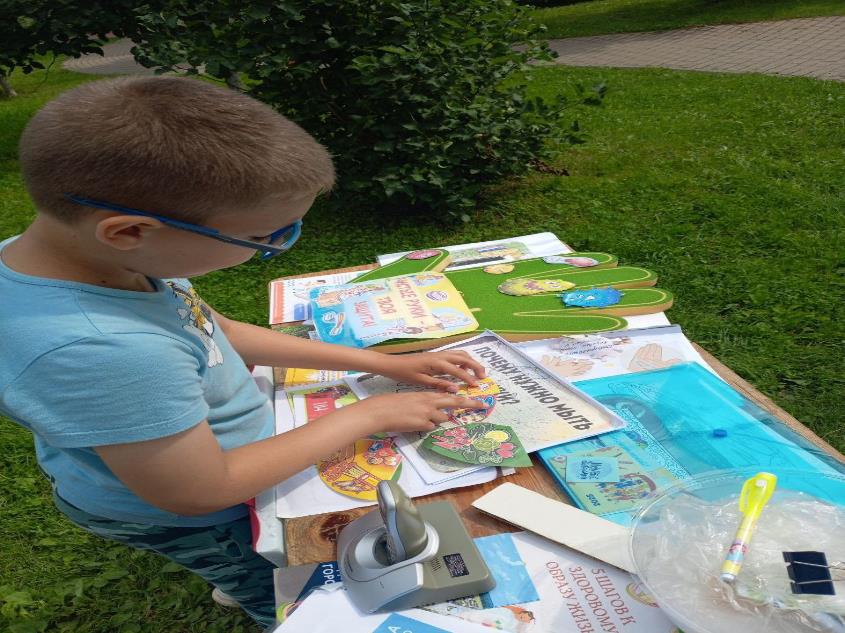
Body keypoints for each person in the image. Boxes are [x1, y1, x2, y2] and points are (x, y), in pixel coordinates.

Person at [0, 76, 488, 629]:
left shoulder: (100, 261)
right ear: (129, 230)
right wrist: (370, 414)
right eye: (263, 238)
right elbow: (201, 490)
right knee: (277, 586)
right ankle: (253, 587)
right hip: (201, 510)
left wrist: (384, 363)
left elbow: (216, 330)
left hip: (204, 461)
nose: (277, 246)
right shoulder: (102, 349)